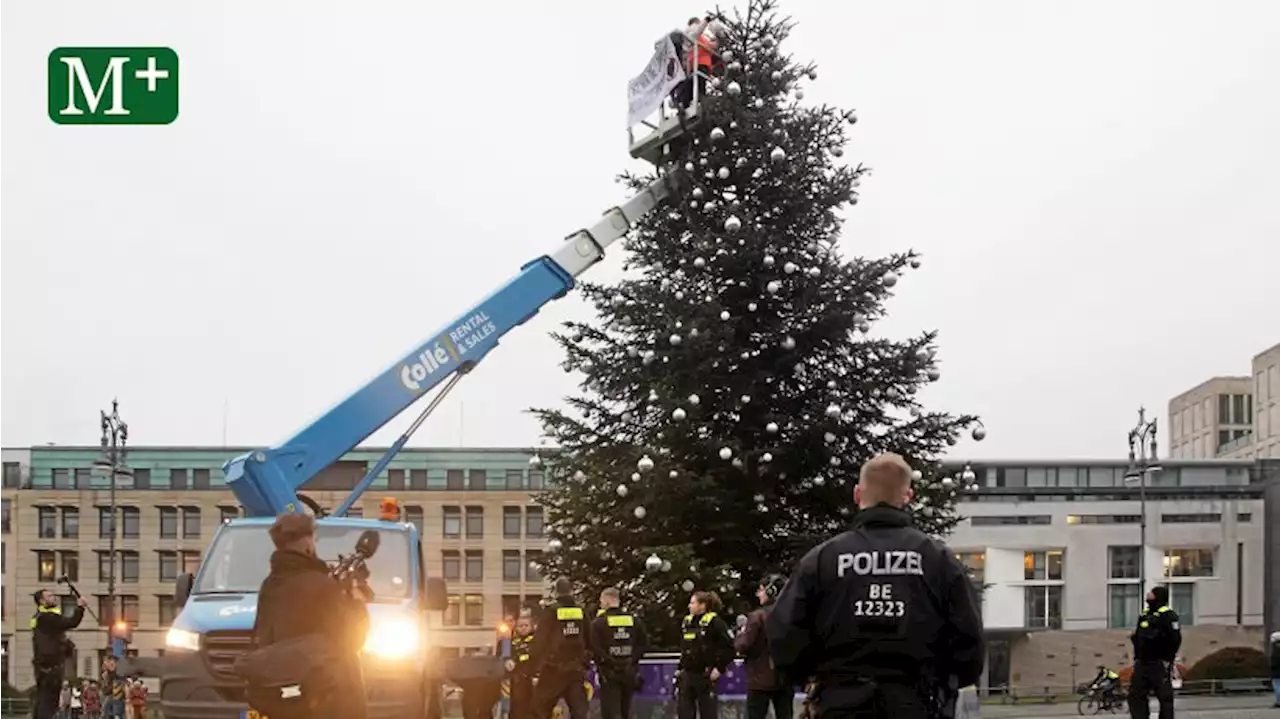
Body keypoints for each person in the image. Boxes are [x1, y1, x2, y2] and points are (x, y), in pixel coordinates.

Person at [765, 453, 985, 719]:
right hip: (918, 704)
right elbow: (969, 641)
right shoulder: (938, 560)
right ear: (908, 497)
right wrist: (941, 683)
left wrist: (814, 678)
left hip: (839, 705)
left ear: (857, 494)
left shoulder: (823, 559)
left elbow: (784, 634)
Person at [239, 512, 370, 719]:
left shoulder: (270, 586)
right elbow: (353, 639)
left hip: (282, 696)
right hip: (324, 697)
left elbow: (267, 638)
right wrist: (357, 601)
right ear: (306, 543)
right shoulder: (322, 585)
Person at [528, 578, 592, 719]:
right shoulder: (581, 611)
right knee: (579, 711)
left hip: (553, 670)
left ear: (556, 592)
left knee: (540, 709)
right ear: (572, 591)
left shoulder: (551, 611)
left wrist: (533, 666)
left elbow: (540, 641)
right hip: (575, 669)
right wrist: (585, 662)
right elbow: (589, 640)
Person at [736, 575, 793, 719]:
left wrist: (739, 636)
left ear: (771, 591)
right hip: (785, 677)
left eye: (761, 590)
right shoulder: (793, 615)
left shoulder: (757, 617)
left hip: (760, 679)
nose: (759, 594)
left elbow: (744, 645)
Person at [590, 587, 649, 719]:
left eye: (601, 601)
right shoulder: (633, 620)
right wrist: (631, 660)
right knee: (625, 711)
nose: (600, 604)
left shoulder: (599, 623)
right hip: (629, 672)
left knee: (611, 712)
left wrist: (610, 661)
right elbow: (644, 644)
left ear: (606, 602)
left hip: (609, 674)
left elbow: (595, 648)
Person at [676, 590, 735, 719]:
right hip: (687, 675)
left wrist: (719, 668)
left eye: (692, 603)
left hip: (706, 675)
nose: (689, 606)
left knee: (708, 713)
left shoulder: (715, 623)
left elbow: (730, 648)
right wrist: (679, 669)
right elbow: (685, 649)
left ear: (702, 606)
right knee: (684, 713)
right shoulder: (687, 623)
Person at [1128, 585, 1181, 719]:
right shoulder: (1144, 614)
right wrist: (1136, 657)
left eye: (1151, 593)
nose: (1148, 595)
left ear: (1158, 596)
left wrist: (1168, 659)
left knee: (1164, 696)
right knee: (1136, 694)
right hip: (1142, 662)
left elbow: (1175, 639)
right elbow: (1138, 636)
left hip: (1159, 663)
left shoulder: (1169, 615)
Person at [31, 589, 86, 719]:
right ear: (42, 601)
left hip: (42, 667)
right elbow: (72, 622)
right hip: (51, 667)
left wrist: (65, 643)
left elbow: (50, 638)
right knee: (49, 703)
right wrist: (80, 607)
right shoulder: (48, 617)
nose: (54, 597)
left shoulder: (38, 617)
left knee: (43, 700)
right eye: (50, 596)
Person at [505, 615, 537, 719]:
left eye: (526, 625)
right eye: (520, 626)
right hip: (516, 680)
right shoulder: (510, 642)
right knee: (516, 709)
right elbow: (503, 656)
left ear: (532, 626)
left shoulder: (537, 641)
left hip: (533, 679)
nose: (523, 628)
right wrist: (507, 661)